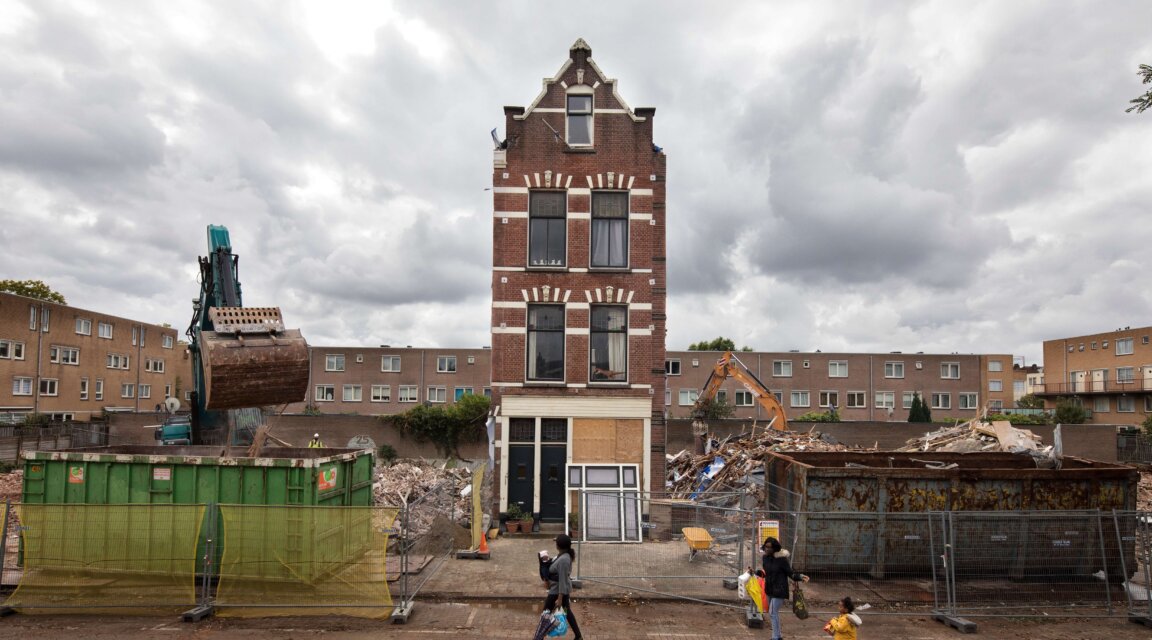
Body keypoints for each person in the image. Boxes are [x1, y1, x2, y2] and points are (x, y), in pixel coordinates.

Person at [762, 537, 809, 640]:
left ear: (774, 548)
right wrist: (755, 572)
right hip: (769, 589)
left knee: (772, 613)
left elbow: (790, 573)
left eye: (769, 547)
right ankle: (778, 636)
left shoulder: (782, 560)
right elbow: (765, 572)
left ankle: (775, 637)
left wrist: (800, 577)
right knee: (773, 614)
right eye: (766, 546)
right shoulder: (765, 558)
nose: (767, 549)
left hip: (780, 590)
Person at [543, 533, 583, 640]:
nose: (555, 543)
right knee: (567, 612)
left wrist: (559, 598)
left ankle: (539, 636)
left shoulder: (564, 559)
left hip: (557, 591)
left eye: (557, 542)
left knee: (546, 613)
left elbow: (562, 579)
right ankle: (578, 636)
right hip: (559, 590)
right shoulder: (562, 554)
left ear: (559, 545)